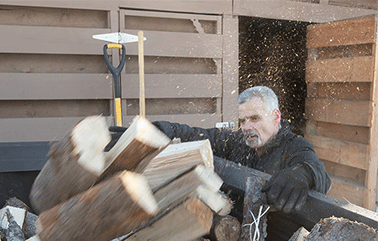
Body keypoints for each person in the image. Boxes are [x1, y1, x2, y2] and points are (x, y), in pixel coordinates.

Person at [109, 86, 331, 215]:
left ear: (276, 116)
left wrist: (302, 174)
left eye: (255, 118)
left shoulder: (294, 145)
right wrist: (151, 132)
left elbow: (316, 169)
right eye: (243, 120)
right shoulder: (237, 142)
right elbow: (192, 134)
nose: (246, 127)